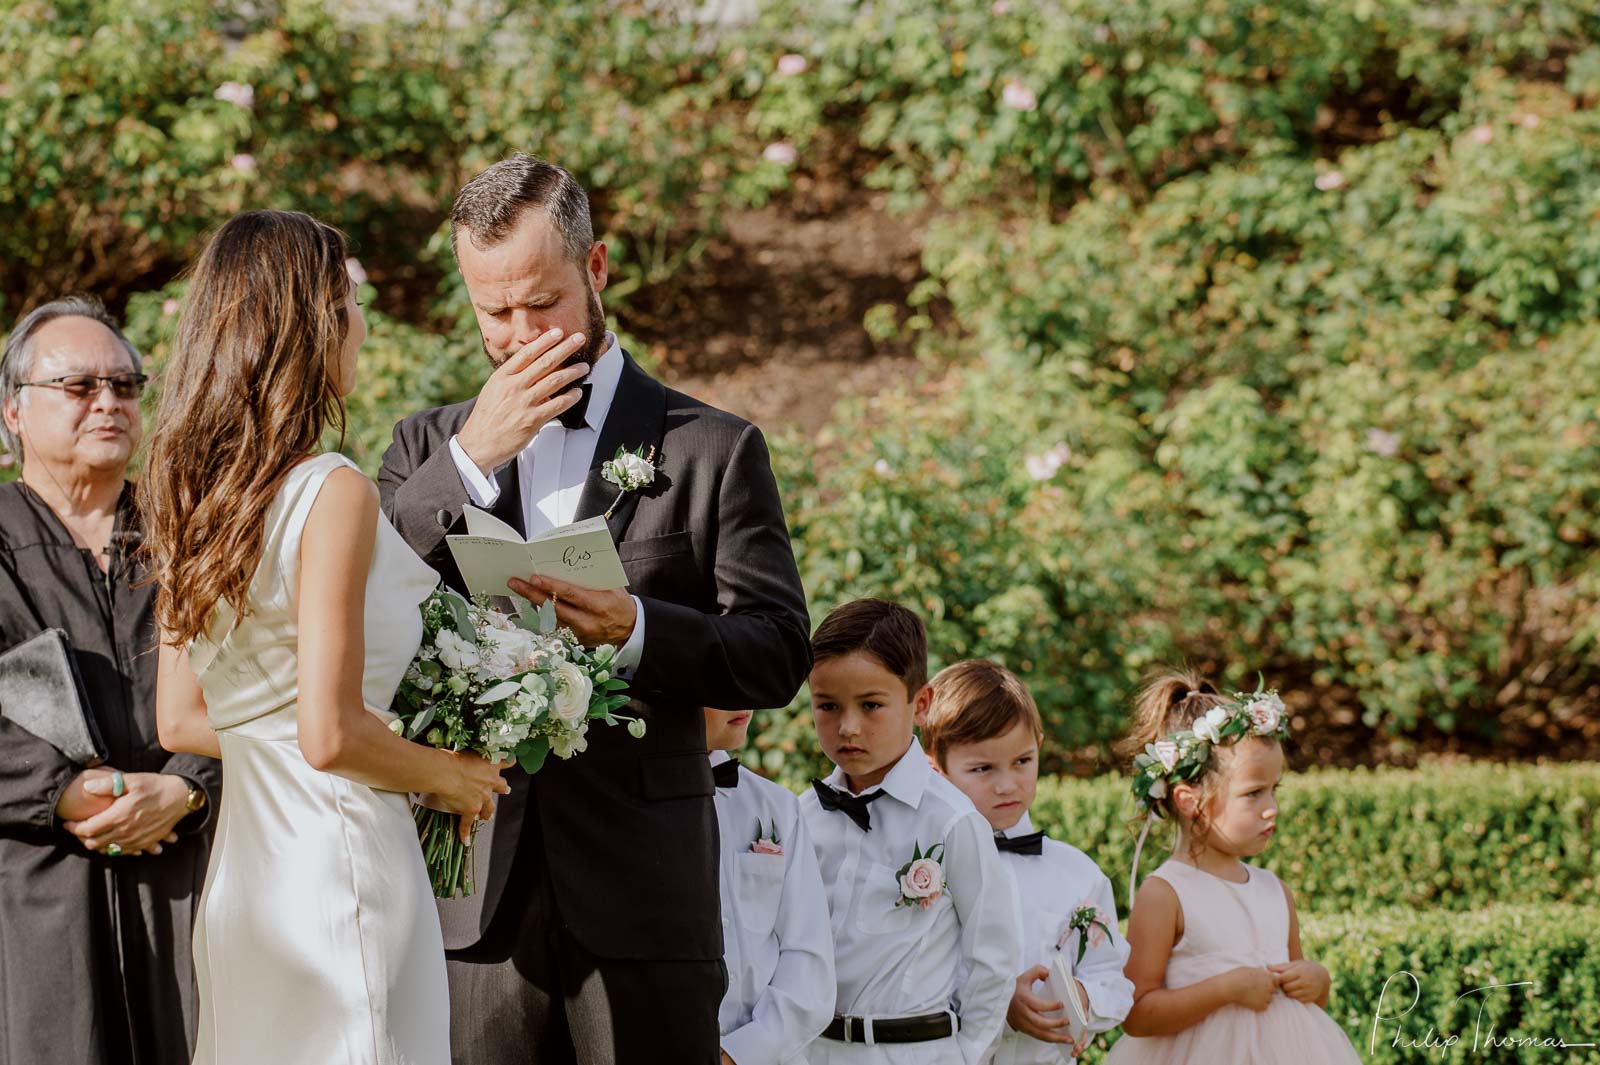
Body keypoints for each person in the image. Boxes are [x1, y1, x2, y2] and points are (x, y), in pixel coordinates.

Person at [378, 153, 812, 1065]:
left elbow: (776, 652)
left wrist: (640, 629)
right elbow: (361, 611)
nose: (519, 333)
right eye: (493, 311)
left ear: (598, 268)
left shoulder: (713, 450)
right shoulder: (422, 447)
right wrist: (468, 459)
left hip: (644, 895)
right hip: (474, 898)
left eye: (543, 302)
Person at [138, 210, 509, 1065]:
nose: (362, 322)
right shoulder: (331, 490)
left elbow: (182, 720)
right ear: (309, 323)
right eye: (346, 299)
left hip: (246, 884)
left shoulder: (191, 494)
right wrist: (451, 776)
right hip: (341, 869)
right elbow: (330, 732)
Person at [0, 297, 221, 1065]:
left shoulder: (189, 536)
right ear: (14, 410)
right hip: (36, 899)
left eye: (125, 385)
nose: (109, 401)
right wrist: (59, 790)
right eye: (80, 385)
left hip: (190, 890)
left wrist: (188, 787)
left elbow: (257, 689)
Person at [798, 599, 1019, 1065]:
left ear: (919, 704)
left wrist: (968, 1055)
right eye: (828, 706)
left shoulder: (952, 822)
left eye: (871, 705)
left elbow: (993, 957)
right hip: (810, 1053)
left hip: (917, 1052)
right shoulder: (802, 817)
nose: (848, 727)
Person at [1104, 669, 1361, 1065]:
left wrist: (1317, 980)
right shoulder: (1167, 893)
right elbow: (1137, 1014)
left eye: (1275, 789)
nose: (1271, 806)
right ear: (1191, 802)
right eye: (1253, 793)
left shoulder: (1275, 891)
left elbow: (1307, 1002)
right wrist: (1223, 990)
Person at [918, 660, 1132, 1063]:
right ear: (936, 768)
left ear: (1039, 747)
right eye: (982, 768)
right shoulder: (921, 873)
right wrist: (1000, 1007)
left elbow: (1116, 982)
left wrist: (1084, 998)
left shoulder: (1077, 875)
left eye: (1022, 761)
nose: (1007, 784)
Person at [704, 706, 835, 1065]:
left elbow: (809, 957)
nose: (742, 699)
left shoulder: (777, 806)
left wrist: (742, 1051)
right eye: (720, 681)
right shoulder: (629, 809)